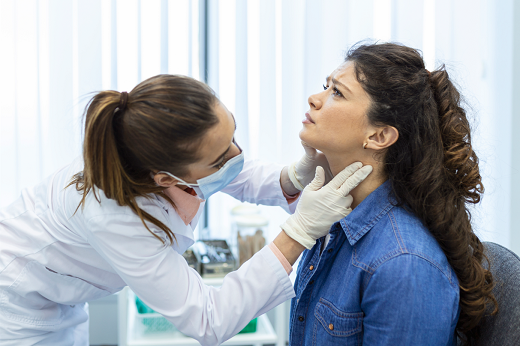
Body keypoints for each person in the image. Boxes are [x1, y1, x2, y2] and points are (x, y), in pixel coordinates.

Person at [0, 74, 372, 346]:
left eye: (233, 138)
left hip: (61, 296)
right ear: (165, 178)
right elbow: (208, 320)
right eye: (221, 157)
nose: (237, 157)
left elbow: (231, 175)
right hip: (20, 306)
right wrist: (298, 233)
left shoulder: (166, 153)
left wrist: (291, 178)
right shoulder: (112, 215)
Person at [287, 42, 497, 345]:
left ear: (379, 135)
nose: (314, 99)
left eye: (337, 92)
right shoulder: (330, 219)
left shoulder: (404, 264)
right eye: (325, 86)